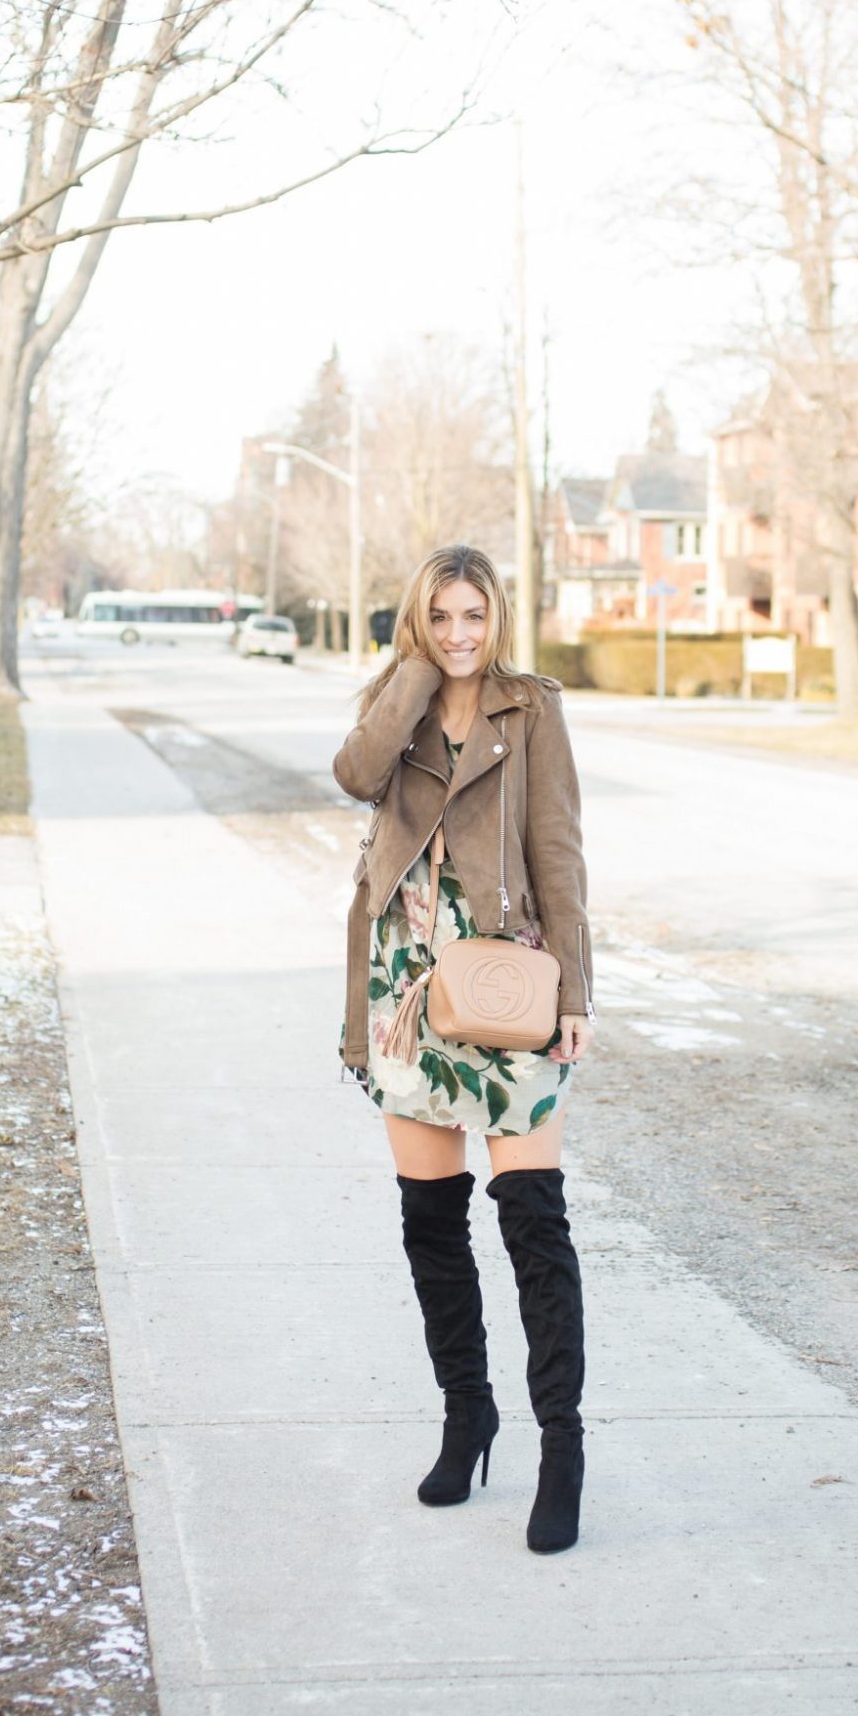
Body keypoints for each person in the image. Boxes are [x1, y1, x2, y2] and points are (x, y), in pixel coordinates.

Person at [334, 544, 597, 1553]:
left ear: (497, 618)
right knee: (431, 1225)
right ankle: (466, 1414)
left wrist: (574, 990)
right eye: (438, 616)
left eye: (472, 616)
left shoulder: (531, 708)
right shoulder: (391, 703)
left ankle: (562, 1448)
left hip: (504, 981)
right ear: (418, 620)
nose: (457, 634)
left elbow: (559, 852)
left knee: (533, 1221)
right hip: (407, 987)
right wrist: (410, 679)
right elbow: (357, 776)